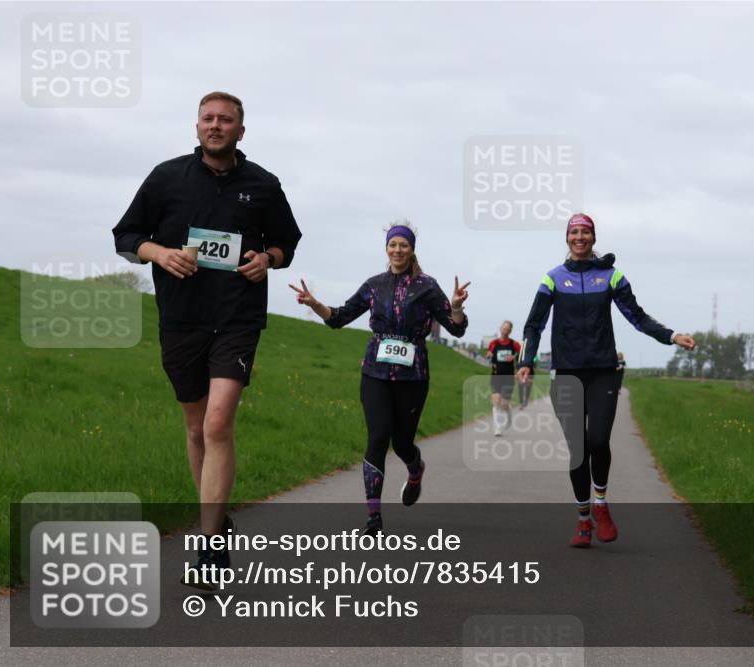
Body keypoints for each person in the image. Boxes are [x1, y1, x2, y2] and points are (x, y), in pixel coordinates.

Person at [112, 91, 303, 587]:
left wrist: (270, 259)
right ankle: (217, 521)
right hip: (181, 319)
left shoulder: (263, 184)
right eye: (208, 119)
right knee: (196, 429)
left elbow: (288, 242)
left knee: (219, 424)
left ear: (242, 130)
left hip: (237, 317)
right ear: (197, 127)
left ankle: (210, 546)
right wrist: (158, 253)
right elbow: (126, 236)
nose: (216, 126)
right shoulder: (167, 177)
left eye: (226, 120)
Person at [516, 213, 695, 548]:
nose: (579, 238)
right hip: (566, 374)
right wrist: (526, 361)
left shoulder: (611, 277)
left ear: (593, 238)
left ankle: (600, 504)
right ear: (567, 238)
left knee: (597, 440)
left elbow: (637, 317)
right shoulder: (553, 279)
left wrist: (671, 336)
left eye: (585, 233)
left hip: (602, 371)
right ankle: (584, 520)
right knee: (578, 451)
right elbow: (533, 325)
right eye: (574, 233)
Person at [290, 221, 469, 535]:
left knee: (401, 444)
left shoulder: (427, 286)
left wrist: (454, 306)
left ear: (412, 249)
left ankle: (416, 470)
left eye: (404, 245)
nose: (398, 250)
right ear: (386, 248)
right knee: (377, 438)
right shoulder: (374, 284)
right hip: (375, 371)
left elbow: (455, 328)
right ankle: (373, 517)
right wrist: (315, 303)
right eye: (393, 244)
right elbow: (341, 317)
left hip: (413, 375)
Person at [486, 321, 521, 436]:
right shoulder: (494, 343)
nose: (505, 330)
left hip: (509, 377)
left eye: (507, 329)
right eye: (503, 328)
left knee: (504, 404)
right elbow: (489, 354)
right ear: (500, 328)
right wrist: (489, 355)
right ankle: (497, 428)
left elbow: (522, 357)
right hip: (496, 375)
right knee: (496, 401)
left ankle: (508, 412)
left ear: (510, 331)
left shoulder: (514, 344)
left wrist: (514, 357)